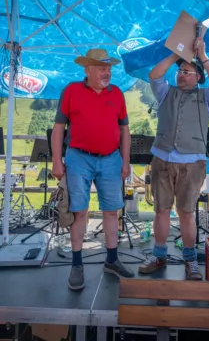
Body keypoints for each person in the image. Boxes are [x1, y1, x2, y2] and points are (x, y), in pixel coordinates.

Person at [138, 37, 209, 280]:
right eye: (180, 71)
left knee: (186, 212)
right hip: (162, 160)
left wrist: (203, 55)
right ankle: (159, 254)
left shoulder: (207, 97)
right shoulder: (166, 92)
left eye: (186, 72)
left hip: (192, 163)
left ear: (198, 77)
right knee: (161, 210)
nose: (181, 75)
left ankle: (190, 259)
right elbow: (155, 75)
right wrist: (175, 56)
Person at [51, 48, 134, 291]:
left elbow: (124, 130)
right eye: (101, 68)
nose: (107, 72)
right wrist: (57, 160)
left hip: (111, 159)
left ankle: (112, 259)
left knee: (111, 211)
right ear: (87, 69)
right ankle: (77, 264)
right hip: (79, 159)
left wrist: (126, 160)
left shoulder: (117, 93)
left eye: (108, 68)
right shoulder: (71, 90)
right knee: (80, 212)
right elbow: (58, 128)